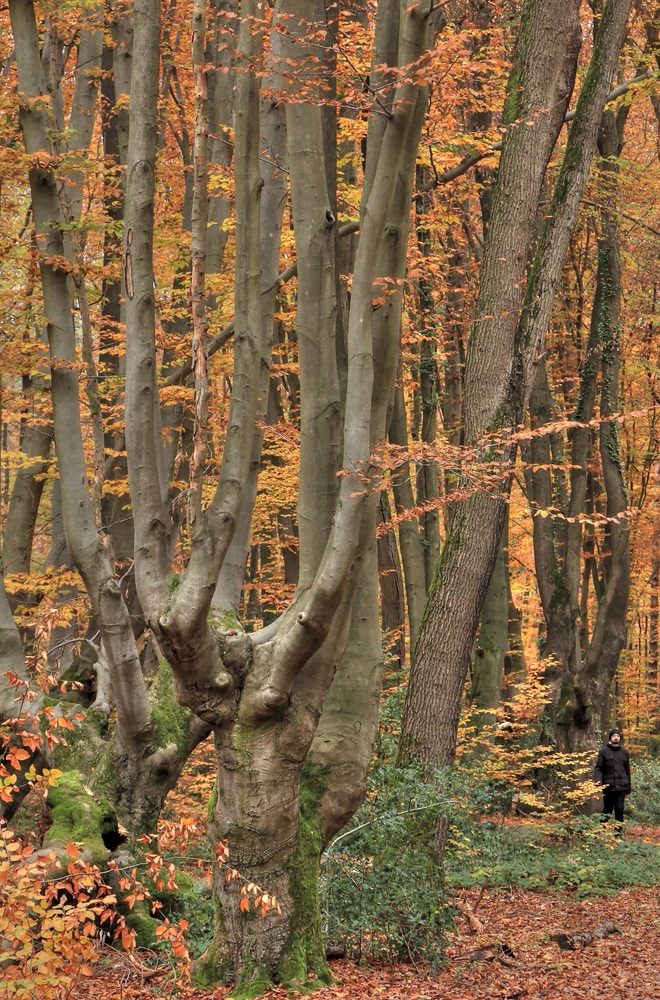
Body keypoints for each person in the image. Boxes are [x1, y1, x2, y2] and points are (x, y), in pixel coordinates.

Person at [593, 728, 631, 827]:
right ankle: (601, 831)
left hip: (622, 786)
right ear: (610, 738)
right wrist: (599, 783)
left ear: (620, 738)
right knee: (607, 810)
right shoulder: (604, 751)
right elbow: (599, 768)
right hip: (608, 786)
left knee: (619, 809)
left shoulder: (624, 753)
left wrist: (628, 788)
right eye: (614, 736)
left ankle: (618, 834)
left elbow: (627, 770)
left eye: (617, 736)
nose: (616, 737)